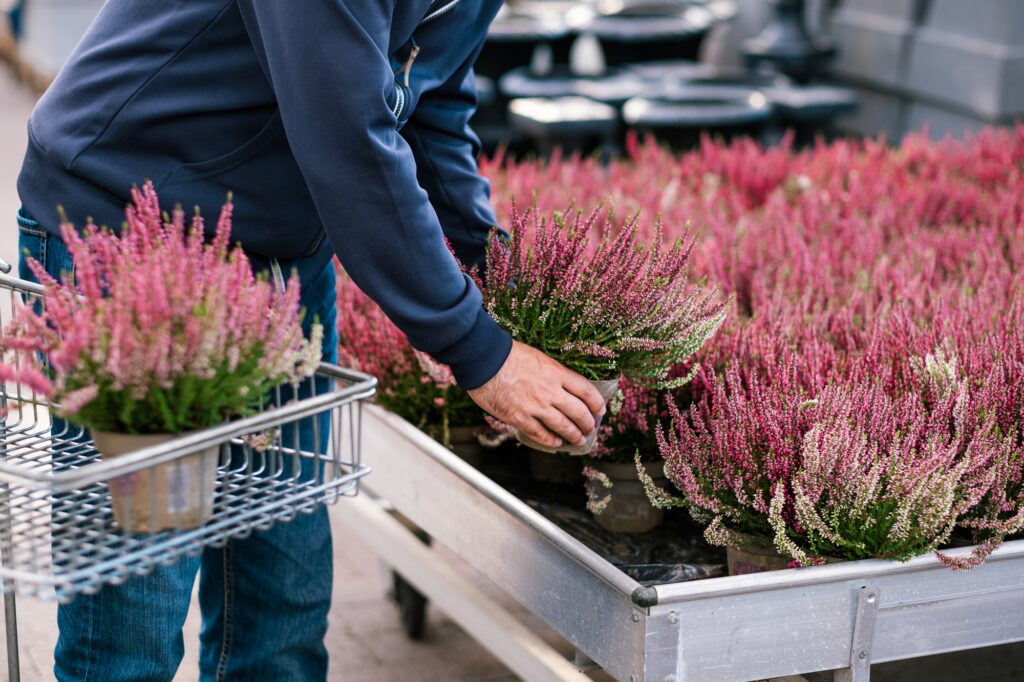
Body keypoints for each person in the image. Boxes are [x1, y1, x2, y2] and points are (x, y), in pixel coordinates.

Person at [16, 1, 605, 680]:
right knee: (135, 620)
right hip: (127, 230)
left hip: (277, 249)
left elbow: (432, 102)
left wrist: (496, 279)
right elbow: (348, 140)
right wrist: (480, 349)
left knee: (281, 606)